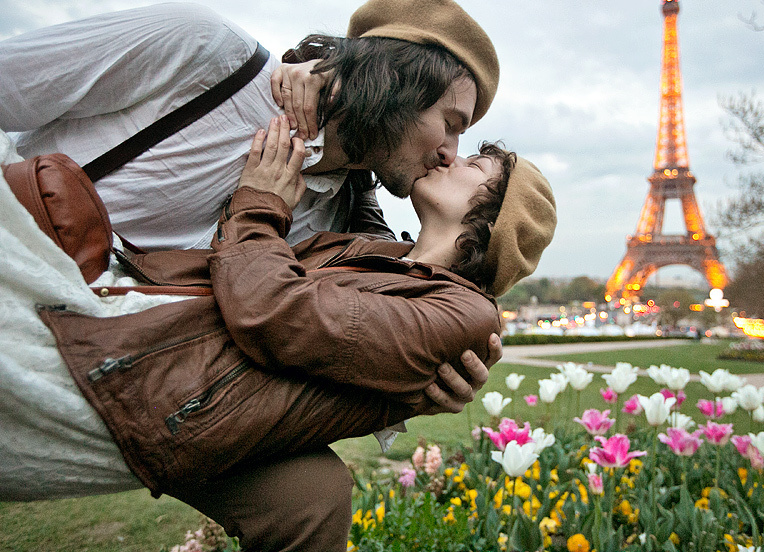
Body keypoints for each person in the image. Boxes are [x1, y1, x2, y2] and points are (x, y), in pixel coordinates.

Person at [0, 117, 557, 551]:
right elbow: (364, 211)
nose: (453, 155)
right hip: (167, 369)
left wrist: (259, 202)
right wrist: (374, 126)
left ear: (493, 215)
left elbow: (275, 313)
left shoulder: (464, 313)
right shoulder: (394, 259)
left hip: (152, 386)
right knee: (315, 497)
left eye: (477, 165)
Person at [0, 0, 500, 413]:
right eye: (452, 124)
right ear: (398, 81)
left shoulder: (339, 220)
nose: (449, 154)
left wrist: (442, 369)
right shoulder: (204, 51)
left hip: (81, 380)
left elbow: (341, 329)